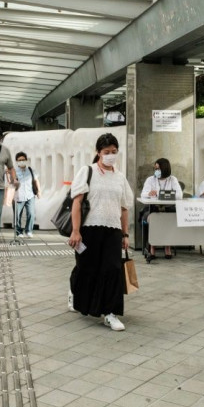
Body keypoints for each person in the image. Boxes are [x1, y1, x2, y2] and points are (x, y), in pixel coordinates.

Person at [67, 133, 133, 331]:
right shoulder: (87, 171)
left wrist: (125, 234)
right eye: (107, 152)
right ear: (98, 153)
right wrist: (75, 231)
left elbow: (124, 208)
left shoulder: (120, 177)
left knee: (113, 269)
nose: (111, 155)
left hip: (112, 230)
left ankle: (110, 313)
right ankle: (74, 292)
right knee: (86, 267)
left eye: (114, 152)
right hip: (89, 229)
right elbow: (76, 203)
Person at [140, 157, 183, 259]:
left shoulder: (173, 179)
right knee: (154, 220)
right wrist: (149, 194)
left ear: (165, 169)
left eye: (158, 169)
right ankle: (152, 247)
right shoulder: (150, 180)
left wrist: (159, 193)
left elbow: (179, 195)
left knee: (168, 220)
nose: (156, 171)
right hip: (152, 209)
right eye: (155, 169)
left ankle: (167, 247)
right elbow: (143, 195)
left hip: (169, 209)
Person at [14, 151, 41, 238]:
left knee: (31, 214)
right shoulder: (14, 171)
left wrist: (39, 191)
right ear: (17, 161)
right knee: (17, 215)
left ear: (26, 160)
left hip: (30, 195)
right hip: (18, 196)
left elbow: (36, 181)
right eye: (19, 160)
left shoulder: (31, 170)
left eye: (23, 159)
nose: (21, 161)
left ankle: (29, 230)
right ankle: (18, 232)